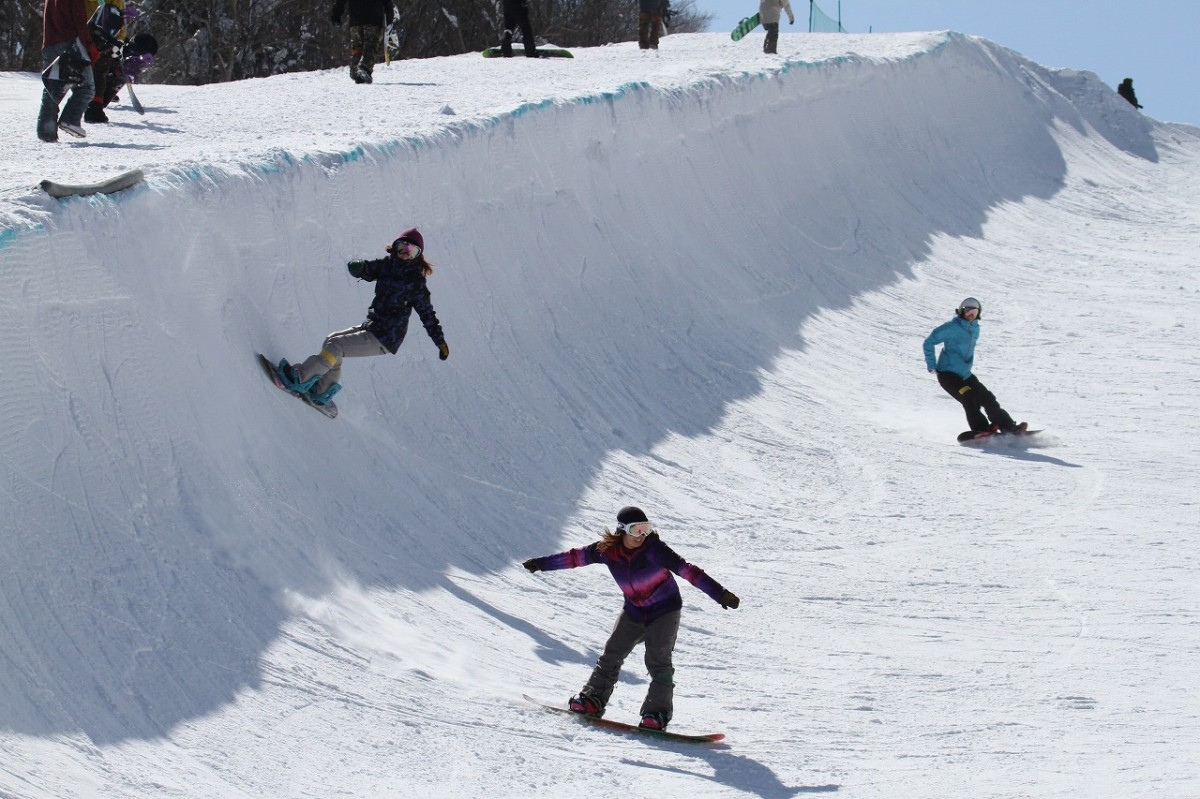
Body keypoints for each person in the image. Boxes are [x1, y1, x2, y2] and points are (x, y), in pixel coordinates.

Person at [521, 506, 740, 731]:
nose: (641, 535)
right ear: (622, 530)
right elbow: (575, 557)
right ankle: (592, 700)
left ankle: (656, 713)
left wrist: (719, 593)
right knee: (611, 654)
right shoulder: (606, 551)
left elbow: (688, 570)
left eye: (646, 529)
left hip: (665, 611)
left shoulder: (655, 549)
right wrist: (542, 564)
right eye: (636, 530)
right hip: (634, 611)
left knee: (658, 661)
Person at [276, 228, 450, 407]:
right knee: (331, 340)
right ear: (395, 247)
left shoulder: (416, 283)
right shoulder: (387, 265)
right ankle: (322, 390)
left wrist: (440, 342)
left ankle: (299, 377)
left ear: (418, 256)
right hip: (373, 326)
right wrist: (359, 267)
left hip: (386, 337)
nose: (405, 253)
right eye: (402, 247)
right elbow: (368, 269)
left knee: (336, 346)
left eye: (411, 251)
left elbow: (427, 314)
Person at [923, 297, 1025, 434]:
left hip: (965, 374)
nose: (971, 315)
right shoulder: (951, 327)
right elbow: (928, 342)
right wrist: (931, 365)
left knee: (987, 398)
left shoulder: (975, 329)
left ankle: (1008, 427)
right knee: (969, 397)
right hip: (948, 375)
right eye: (968, 311)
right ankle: (981, 430)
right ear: (961, 312)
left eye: (974, 312)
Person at [37, 0, 100, 141]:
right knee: (86, 87)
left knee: (51, 89)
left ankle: (46, 134)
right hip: (70, 43)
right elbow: (79, 19)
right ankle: (70, 120)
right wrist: (89, 45)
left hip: (49, 43)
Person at [330, 0, 394, 84]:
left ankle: (355, 68)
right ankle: (364, 68)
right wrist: (390, 21)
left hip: (355, 19)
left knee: (357, 46)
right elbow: (388, 3)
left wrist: (336, 15)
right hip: (373, 18)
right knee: (370, 45)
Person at [83, 0, 124, 123]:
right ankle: (94, 108)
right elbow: (117, 14)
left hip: (89, 33)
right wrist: (119, 39)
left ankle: (94, 105)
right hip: (102, 35)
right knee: (99, 73)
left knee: (97, 72)